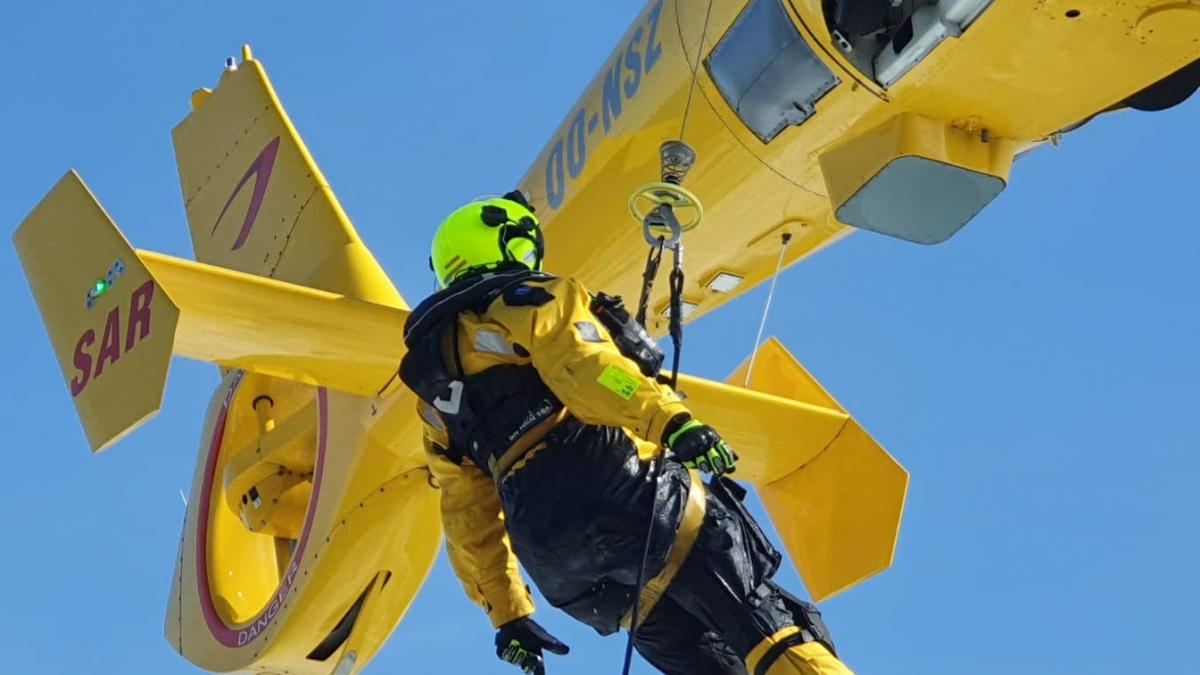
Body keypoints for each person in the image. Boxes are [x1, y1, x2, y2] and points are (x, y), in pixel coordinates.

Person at [399, 192, 853, 675]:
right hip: (629, 495)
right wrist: (673, 421)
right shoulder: (531, 299)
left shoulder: (434, 389)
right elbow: (588, 366)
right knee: (766, 626)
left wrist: (507, 614)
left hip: (565, 569)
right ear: (507, 242)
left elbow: (465, 513)